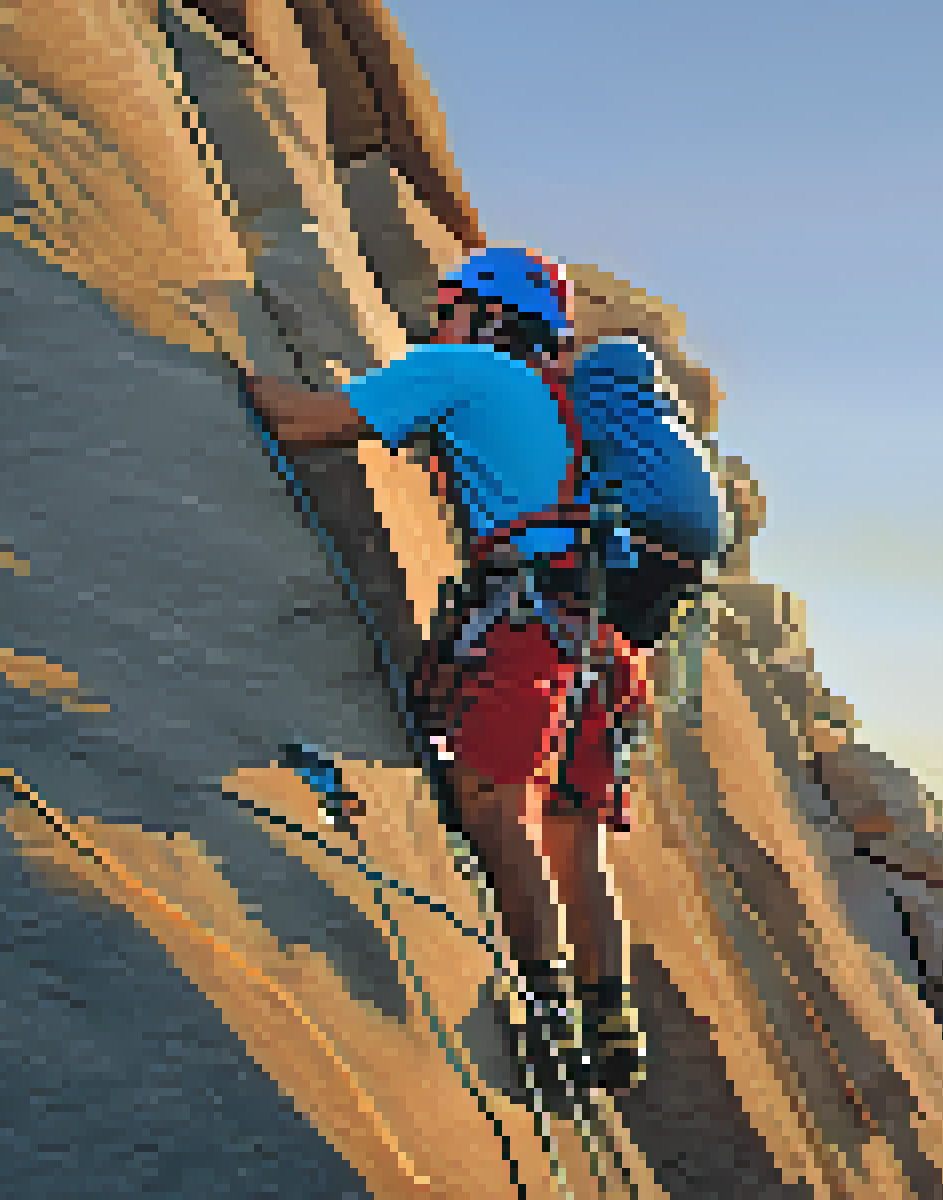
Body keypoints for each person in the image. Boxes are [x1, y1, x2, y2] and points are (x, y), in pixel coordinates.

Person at [245, 246, 716, 1097]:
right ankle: (611, 1019)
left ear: (491, 316)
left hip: (531, 622)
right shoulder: (576, 403)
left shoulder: (464, 369)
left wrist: (224, 365)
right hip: (613, 644)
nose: (438, 320)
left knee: (496, 793)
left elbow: (305, 423)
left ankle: (544, 1004)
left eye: (453, 305)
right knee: (574, 827)